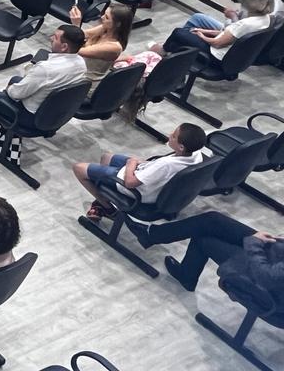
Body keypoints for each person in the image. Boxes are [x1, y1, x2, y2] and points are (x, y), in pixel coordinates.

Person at [0, 25, 88, 142]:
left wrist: (9, 90)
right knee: (15, 80)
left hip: (30, 117)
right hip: (53, 113)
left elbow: (16, 93)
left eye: (55, 37)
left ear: (64, 47)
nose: (51, 38)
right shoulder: (81, 64)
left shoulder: (45, 69)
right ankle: (1, 124)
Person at [125, 210, 283, 297]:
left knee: (202, 238)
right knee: (212, 220)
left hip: (265, 274)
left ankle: (186, 276)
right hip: (275, 251)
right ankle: (153, 234)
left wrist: (254, 243)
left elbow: (265, 277)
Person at [73, 122, 207, 220]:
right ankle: (103, 199)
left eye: (174, 136)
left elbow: (130, 183)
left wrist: (132, 163)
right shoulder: (196, 155)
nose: (170, 134)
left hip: (136, 190)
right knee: (106, 157)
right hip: (147, 174)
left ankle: (107, 208)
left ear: (181, 146)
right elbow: (158, 168)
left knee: (79, 168)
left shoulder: (166, 165)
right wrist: (143, 164)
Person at [159, 0, 274, 74]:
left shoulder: (245, 24)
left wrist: (200, 35)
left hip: (217, 57)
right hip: (233, 58)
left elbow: (217, 43)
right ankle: (173, 59)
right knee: (187, 33)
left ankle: (165, 56)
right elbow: (228, 34)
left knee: (178, 33)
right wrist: (203, 31)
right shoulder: (266, 19)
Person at [69, 2, 132, 92]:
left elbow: (76, 50)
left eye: (106, 17)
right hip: (78, 72)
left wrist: (76, 25)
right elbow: (81, 35)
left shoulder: (114, 47)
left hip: (86, 84)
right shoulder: (104, 28)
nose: (102, 17)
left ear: (118, 24)